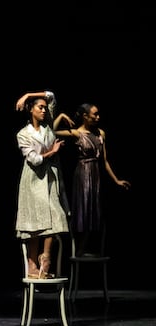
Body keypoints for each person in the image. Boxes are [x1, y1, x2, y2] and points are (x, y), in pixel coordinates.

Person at [54, 103, 131, 255]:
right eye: (94, 114)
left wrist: (116, 180)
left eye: (98, 114)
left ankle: (85, 247)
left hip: (96, 175)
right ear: (85, 117)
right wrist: (62, 116)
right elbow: (53, 131)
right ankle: (79, 248)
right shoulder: (77, 133)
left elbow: (105, 161)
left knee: (93, 209)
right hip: (82, 173)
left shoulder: (100, 133)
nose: (98, 117)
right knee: (83, 207)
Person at [14, 90, 70, 279]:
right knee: (35, 225)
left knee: (55, 218)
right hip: (32, 181)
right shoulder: (23, 134)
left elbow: (51, 95)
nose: (44, 110)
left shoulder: (48, 126)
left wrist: (27, 94)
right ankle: (32, 266)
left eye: (45, 108)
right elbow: (34, 159)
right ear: (31, 110)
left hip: (50, 180)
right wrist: (52, 152)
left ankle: (45, 259)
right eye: (40, 107)